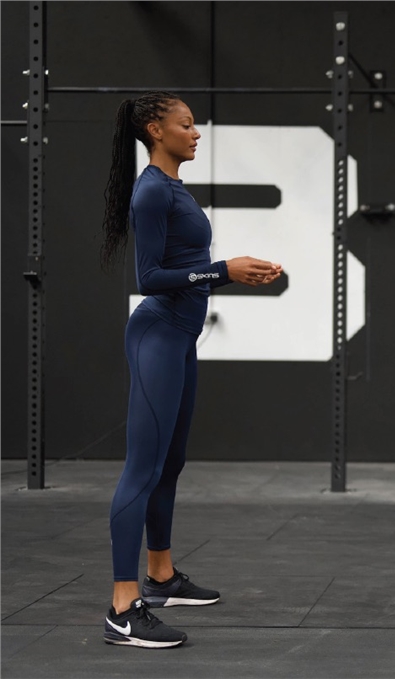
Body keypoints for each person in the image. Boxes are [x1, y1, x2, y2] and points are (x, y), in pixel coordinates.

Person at [99, 91, 283, 648]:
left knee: (170, 463)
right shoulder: (153, 190)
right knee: (142, 469)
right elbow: (149, 278)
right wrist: (224, 270)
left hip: (180, 337)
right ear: (156, 130)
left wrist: (230, 272)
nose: (196, 132)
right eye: (186, 124)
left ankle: (161, 577)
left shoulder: (173, 186)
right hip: (157, 334)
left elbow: (186, 266)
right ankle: (123, 608)